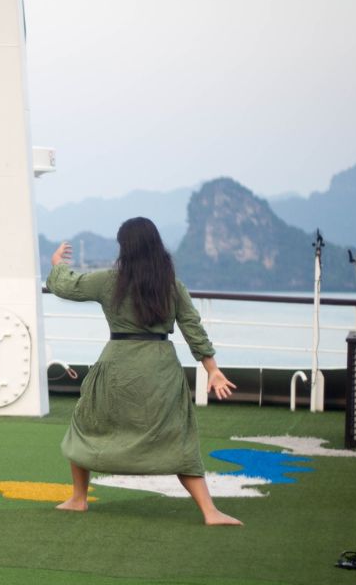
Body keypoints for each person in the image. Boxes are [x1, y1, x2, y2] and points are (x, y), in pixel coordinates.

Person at [45, 217, 242, 526]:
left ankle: (79, 499)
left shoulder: (109, 281)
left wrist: (57, 264)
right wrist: (212, 368)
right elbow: (192, 327)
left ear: (125, 248)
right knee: (178, 436)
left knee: (86, 426)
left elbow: (67, 285)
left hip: (117, 366)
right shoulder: (171, 285)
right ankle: (210, 511)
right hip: (161, 369)